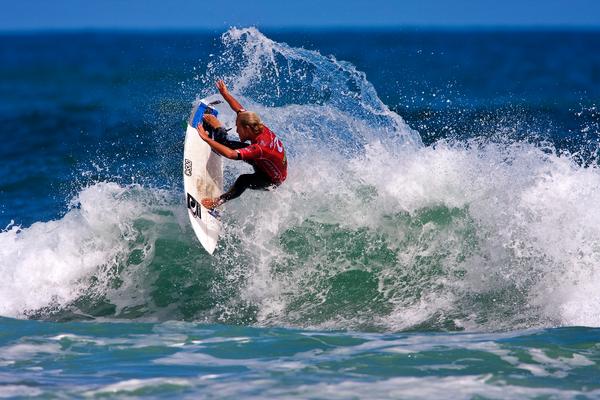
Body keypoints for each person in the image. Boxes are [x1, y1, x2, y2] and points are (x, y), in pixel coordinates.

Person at [196, 80, 287, 209]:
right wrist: (225, 94)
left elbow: (231, 154)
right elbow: (239, 110)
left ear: (247, 128)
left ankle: (217, 202)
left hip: (271, 179)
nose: (236, 130)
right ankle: (217, 128)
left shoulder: (260, 147)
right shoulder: (256, 125)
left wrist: (206, 139)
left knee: (244, 180)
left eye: (238, 127)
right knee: (225, 143)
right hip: (263, 161)